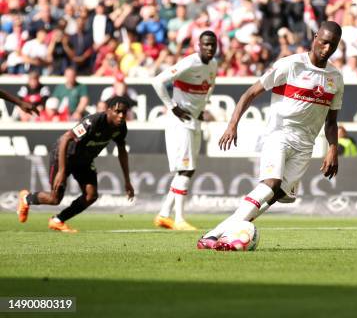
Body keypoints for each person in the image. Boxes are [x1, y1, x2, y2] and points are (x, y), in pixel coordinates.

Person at [197, 21, 344, 250]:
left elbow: (331, 121)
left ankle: (215, 235)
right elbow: (250, 93)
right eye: (324, 42)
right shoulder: (290, 65)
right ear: (315, 37)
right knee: (271, 183)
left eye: (332, 46)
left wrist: (333, 149)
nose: (326, 49)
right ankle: (220, 233)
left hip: (306, 145)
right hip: (280, 133)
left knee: (275, 195)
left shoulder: (335, 78)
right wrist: (232, 125)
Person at [16, 96, 134, 232]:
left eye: (124, 112)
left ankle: (57, 220)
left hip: (84, 161)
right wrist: (61, 170)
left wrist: (127, 181)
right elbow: (66, 138)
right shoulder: (93, 121)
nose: (121, 116)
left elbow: (122, 151)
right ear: (108, 110)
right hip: (65, 156)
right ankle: (26, 198)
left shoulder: (120, 128)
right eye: (117, 111)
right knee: (54, 199)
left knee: (91, 196)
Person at [151, 30, 218, 231]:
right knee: (186, 170)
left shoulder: (213, 65)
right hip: (179, 121)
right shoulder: (189, 63)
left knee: (187, 169)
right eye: (205, 44)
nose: (209, 48)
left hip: (193, 121)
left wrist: (202, 108)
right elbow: (157, 81)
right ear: (198, 45)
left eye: (212, 44)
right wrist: (172, 106)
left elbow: (210, 87)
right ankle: (179, 219)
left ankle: (164, 214)